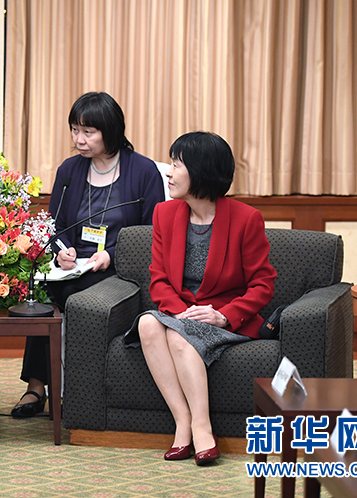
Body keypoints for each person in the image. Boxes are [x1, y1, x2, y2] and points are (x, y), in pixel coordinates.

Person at [125, 131, 276, 466]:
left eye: (176, 165)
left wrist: (224, 315)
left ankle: (202, 427)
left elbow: (263, 284)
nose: (168, 172)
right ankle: (183, 420)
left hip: (224, 318)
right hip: (180, 314)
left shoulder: (246, 219)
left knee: (178, 338)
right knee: (148, 324)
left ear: (201, 171)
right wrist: (181, 313)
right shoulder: (164, 214)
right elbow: (158, 279)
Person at [12, 92, 165, 419]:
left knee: (71, 293)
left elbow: (152, 232)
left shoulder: (143, 171)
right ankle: (37, 386)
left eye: (88, 132)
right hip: (73, 265)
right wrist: (61, 251)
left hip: (118, 268)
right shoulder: (69, 170)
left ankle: (75, 390)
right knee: (42, 294)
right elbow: (54, 225)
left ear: (110, 130)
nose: (79, 140)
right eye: (74, 130)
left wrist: (111, 255)